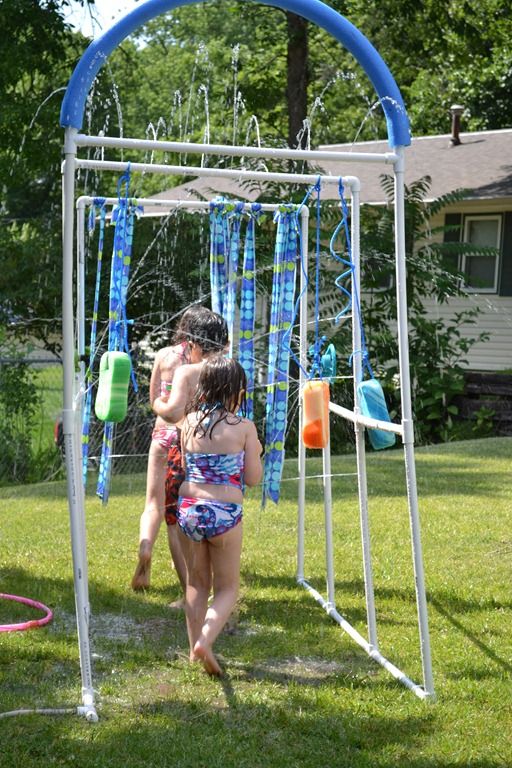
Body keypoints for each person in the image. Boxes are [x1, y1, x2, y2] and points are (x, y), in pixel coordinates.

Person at [170, 356, 262, 677]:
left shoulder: (188, 423)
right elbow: (252, 478)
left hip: (189, 510)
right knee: (227, 588)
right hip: (225, 512)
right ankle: (205, 642)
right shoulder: (244, 428)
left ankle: (194, 647)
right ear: (236, 391)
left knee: (196, 584)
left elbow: (186, 466)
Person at [131, 305, 226, 592]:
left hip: (161, 436)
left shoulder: (163, 356)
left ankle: (146, 548)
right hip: (187, 440)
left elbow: (154, 400)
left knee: (153, 505)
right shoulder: (208, 368)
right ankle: (190, 589)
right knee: (177, 517)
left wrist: (160, 406)